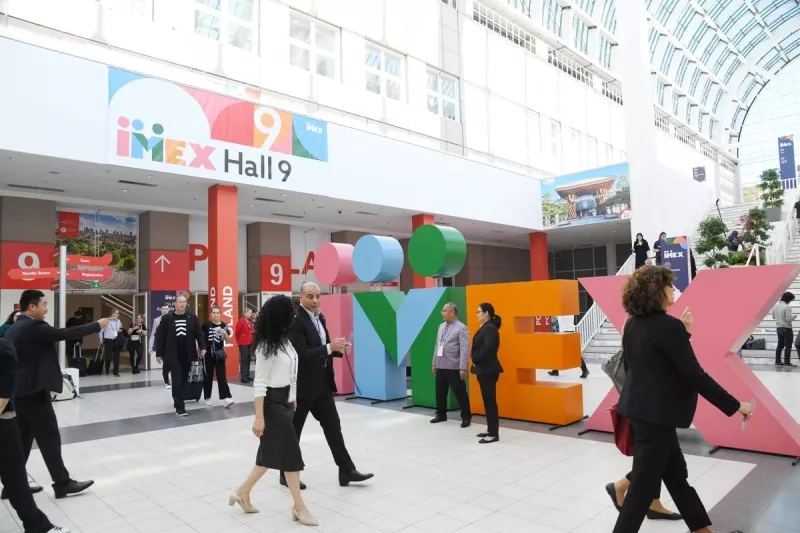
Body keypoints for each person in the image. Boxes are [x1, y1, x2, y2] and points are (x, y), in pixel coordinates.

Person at [612, 266, 752, 533]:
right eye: (668, 285)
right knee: (641, 490)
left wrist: (683, 333)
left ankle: (702, 530)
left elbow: (652, 362)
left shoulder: (632, 323)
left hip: (642, 411)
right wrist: (736, 406)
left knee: (677, 477)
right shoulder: (669, 326)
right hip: (657, 417)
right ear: (656, 291)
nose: (672, 290)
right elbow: (694, 375)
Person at [5, 290, 107, 500]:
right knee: (49, 436)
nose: (46, 307)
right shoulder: (32, 326)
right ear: (31, 307)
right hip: (33, 391)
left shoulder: (17, 327)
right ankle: (62, 483)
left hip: (21, 391)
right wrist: (97, 325)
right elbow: (64, 334)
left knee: (23, 439)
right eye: (43, 304)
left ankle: (12, 486)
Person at [230, 295, 317, 526]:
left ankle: (243, 491)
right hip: (272, 405)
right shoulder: (266, 345)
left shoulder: (284, 340)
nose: (295, 314)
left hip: (286, 402)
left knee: (268, 455)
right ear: (282, 315)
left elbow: (292, 369)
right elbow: (260, 383)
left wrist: (294, 396)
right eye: (291, 311)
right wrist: (259, 418)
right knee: (291, 454)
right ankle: (299, 507)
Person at [282, 281, 373, 490]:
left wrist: (338, 350)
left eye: (317, 296)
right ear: (300, 297)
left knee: (333, 426)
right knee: (294, 431)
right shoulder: (296, 321)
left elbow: (323, 347)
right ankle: (285, 473)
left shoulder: (319, 317)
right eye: (310, 297)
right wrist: (329, 347)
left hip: (322, 383)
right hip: (303, 386)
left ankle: (346, 470)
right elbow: (300, 355)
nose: (315, 301)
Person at [0, 337, 70, 532]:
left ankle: (37, 525)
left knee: (14, 476)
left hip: (4, 422)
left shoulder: (3, 347)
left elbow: (6, 387)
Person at [156, 295, 206, 417]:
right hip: (173, 355)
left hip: (187, 354)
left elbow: (199, 334)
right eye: (180, 302)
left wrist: (203, 347)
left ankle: (178, 399)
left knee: (183, 380)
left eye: (184, 302)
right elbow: (160, 336)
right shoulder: (167, 318)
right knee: (177, 380)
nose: (182, 304)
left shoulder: (192, 317)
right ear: (175, 304)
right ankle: (180, 407)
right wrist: (159, 353)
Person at [430, 302, 471, 428]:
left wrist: (463, 367)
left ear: (452, 312)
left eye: (445, 310)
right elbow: (437, 345)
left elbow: (465, 349)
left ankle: (466, 417)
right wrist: (434, 362)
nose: (442, 313)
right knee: (440, 391)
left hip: (454, 366)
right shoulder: (441, 326)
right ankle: (441, 414)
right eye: (442, 311)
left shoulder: (461, 327)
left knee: (460, 392)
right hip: (441, 364)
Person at [471, 302, 503, 444]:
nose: (477, 314)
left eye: (479, 312)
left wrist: (476, 358)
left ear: (487, 314)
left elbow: (489, 349)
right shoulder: (486, 327)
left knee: (490, 401)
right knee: (487, 400)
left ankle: (494, 433)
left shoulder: (490, 328)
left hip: (488, 369)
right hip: (483, 369)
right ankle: (490, 429)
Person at [202, 306, 234, 408]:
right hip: (207, 354)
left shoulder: (224, 325)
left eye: (217, 313)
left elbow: (228, 341)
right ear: (211, 314)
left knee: (221, 376)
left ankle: (226, 398)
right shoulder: (206, 325)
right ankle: (207, 397)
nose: (215, 315)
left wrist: (225, 334)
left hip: (219, 354)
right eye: (213, 313)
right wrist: (200, 351)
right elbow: (201, 339)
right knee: (208, 376)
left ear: (220, 314)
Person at [150, 303, 171, 388]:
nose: (165, 310)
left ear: (168, 309)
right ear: (161, 310)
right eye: (163, 309)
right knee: (166, 364)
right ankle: (166, 381)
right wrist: (150, 346)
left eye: (166, 309)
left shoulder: (172, 319)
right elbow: (153, 334)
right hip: (163, 345)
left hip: (172, 345)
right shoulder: (156, 320)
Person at [772, 291, 796, 367]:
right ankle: (787, 362)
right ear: (788, 299)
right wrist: (794, 317)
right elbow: (789, 319)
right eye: (791, 300)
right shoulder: (787, 307)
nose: (790, 302)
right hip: (787, 328)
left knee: (779, 346)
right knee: (788, 346)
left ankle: (777, 361)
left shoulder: (775, 306)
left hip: (779, 328)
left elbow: (773, 317)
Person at [100, 309, 123, 377]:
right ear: (112, 313)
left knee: (117, 357)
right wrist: (101, 340)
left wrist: (120, 330)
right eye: (116, 313)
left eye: (118, 313)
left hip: (116, 340)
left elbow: (121, 328)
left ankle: (115, 371)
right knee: (108, 356)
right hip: (108, 340)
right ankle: (107, 368)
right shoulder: (107, 321)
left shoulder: (119, 321)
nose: (117, 315)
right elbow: (101, 331)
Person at [235, 308, 254, 383]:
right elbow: (237, 332)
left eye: (251, 313)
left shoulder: (250, 321)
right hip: (243, 343)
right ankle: (243, 377)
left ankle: (247, 375)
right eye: (249, 313)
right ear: (245, 313)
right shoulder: (241, 321)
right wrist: (239, 341)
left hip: (249, 342)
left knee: (248, 359)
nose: (250, 314)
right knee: (244, 359)